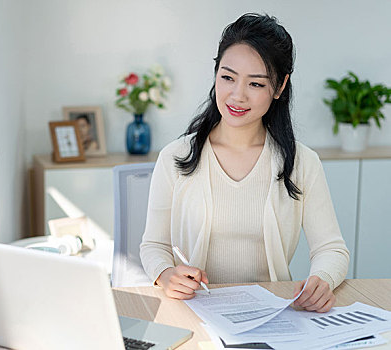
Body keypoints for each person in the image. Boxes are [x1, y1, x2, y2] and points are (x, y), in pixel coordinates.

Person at [139, 13, 349, 313]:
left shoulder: (302, 163)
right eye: (228, 77)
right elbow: (153, 246)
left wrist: (322, 279)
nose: (237, 95)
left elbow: (332, 249)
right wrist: (165, 274)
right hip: (194, 311)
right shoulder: (175, 157)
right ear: (216, 75)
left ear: (279, 88)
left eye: (255, 84)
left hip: (275, 314)